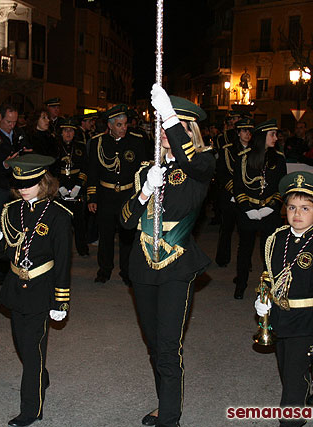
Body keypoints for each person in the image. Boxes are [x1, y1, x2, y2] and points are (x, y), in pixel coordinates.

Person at [120, 84, 215, 427]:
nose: (164, 132)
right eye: (160, 124)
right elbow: (126, 220)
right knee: (154, 343)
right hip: (143, 265)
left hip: (176, 264)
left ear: (191, 132)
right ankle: (165, 402)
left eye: (173, 126)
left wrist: (172, 117)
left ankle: (170, 418)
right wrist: (145, 191)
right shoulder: (147, 168)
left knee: (168, 346)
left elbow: (192, 161)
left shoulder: (202, 165)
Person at [0, 154, 72, 427]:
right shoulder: (11, 210)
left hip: (41, 288)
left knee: (33, 350)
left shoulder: (59, 215)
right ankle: (40, 376)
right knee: (22, 343)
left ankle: (31, 408)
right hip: (15, 286)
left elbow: (63, 263)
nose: (23, 188)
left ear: (43, 181)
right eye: (19, 183)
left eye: (30, 183)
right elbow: (6, 253)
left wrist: (61, 301)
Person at [254, 171, 313, 427]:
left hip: (306, 322)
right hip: (280, 319)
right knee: (287, 370)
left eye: (305, 208)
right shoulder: (277, 238)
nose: (297, 214)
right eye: (292, 207)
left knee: (292, 379)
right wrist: (262, 298)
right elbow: (269, 273)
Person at [86, 104, 149, 285]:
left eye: (125, 124)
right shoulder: (98, 142)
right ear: (110, 125)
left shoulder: (136, 141)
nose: (124, 128)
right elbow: (92, 173)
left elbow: (143, 170)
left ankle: (127, 270)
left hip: (127, 195)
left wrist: (141, 196)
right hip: (106, 195)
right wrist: (92, 197)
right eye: (119, 125)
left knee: (127, 235)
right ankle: (104, 270)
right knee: (105, 235)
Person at [232, 119, 287, 299]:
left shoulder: (278, 159)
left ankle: (269, 287)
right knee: (245, 250)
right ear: (263, 136)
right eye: (272, 134)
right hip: (248, 210)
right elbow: (238, 186)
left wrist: (271, 208)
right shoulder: (244, 157)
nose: (275, 138)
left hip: (270, 212)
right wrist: (247, 208)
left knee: (269, 252)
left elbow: (282, 187)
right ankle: (240, 285)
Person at [0, 104, 31, 284]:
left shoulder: (19, 135)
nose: (11, 125)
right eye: (8, 121)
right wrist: (5, 164)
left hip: (16, 188)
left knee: (16, 228)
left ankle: (14, 266)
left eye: (14, 122)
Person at [214, 118, 253, 267]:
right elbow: (222, 173)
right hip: (230, 196)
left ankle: (245, 262)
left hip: (248, 196)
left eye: (249, 130)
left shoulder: (255, 150)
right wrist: (236, 192)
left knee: (246, 232)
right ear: (238, 133)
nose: (247, 134)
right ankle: (223, 258)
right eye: (244, 130)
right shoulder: (227, 150)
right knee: (227, 229)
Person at [56, 117, 89, 256]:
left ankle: (82, 249)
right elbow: (51, 169)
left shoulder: (81, 146)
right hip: (60, 187)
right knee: (61, 224)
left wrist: (78, 186)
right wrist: (59, 186)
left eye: (71, 131)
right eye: (65, 130)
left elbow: (86, 168)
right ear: (61, 132)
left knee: (79, 223)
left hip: (76, 188)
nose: (68, 133)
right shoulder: (55, 146)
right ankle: (61, 251)